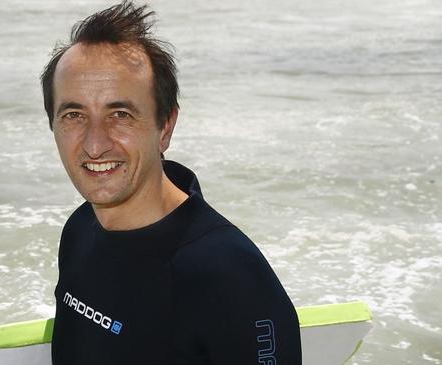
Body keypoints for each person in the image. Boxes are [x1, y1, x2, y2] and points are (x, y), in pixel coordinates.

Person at [40, 1, 302, 364]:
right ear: (52, 124)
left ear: (165, 127)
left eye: (120, 114)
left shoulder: (231, 277)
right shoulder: (80, 230)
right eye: (74, 114)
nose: (94, 144)